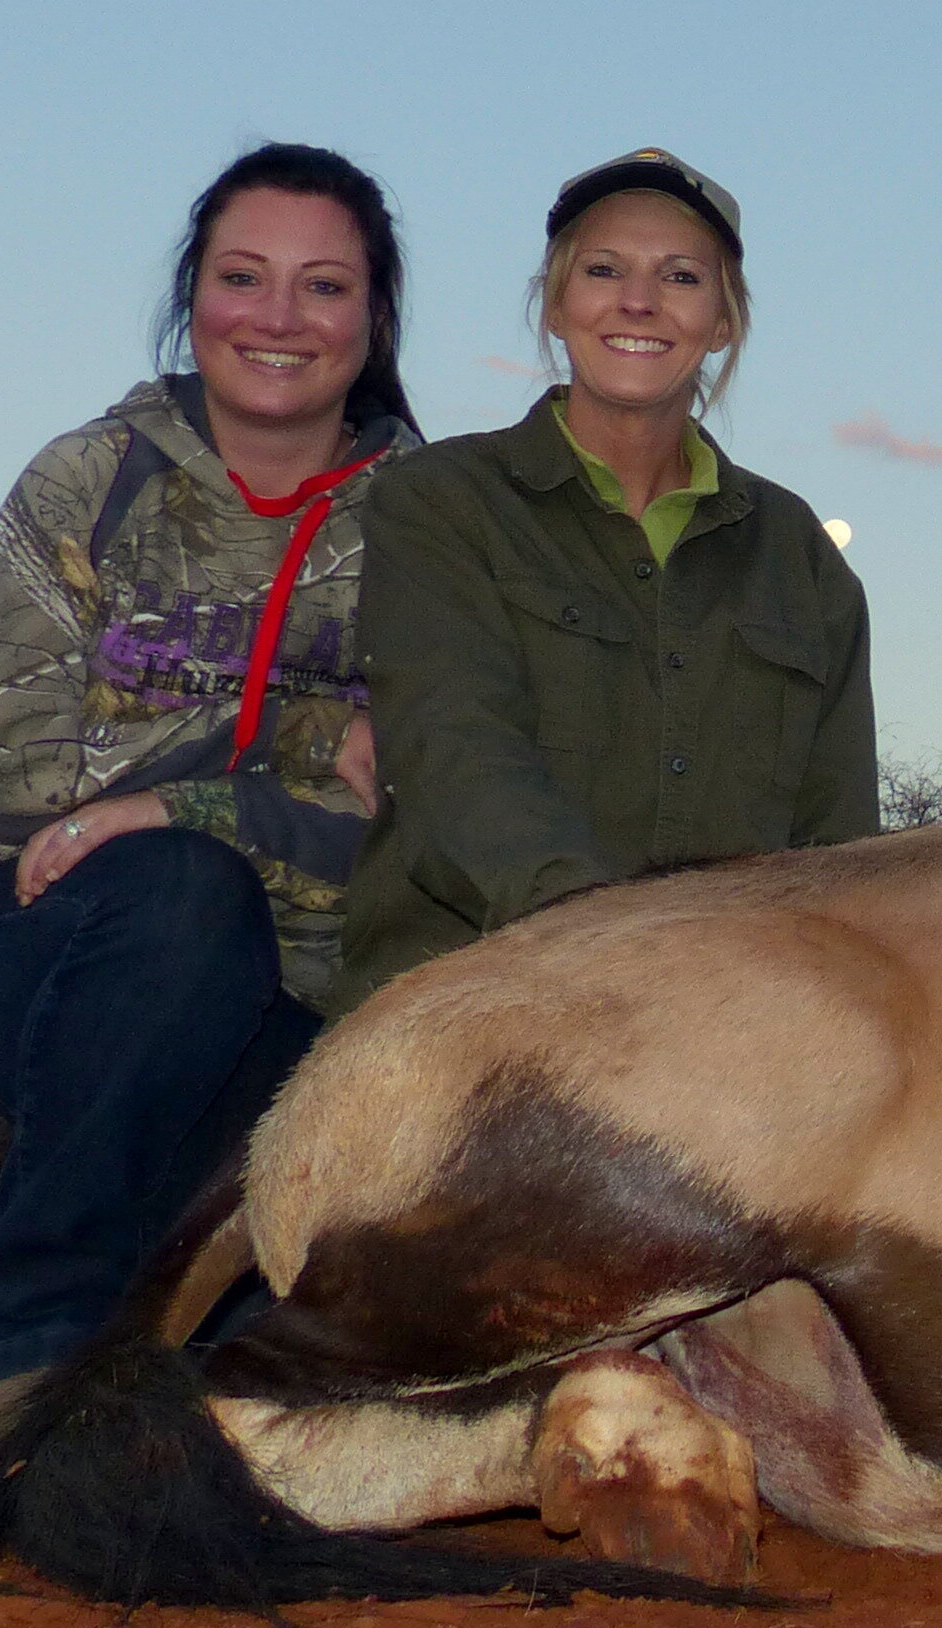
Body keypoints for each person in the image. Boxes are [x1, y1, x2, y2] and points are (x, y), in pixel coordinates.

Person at [0, 143, 420, 1440]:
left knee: (315, 1251)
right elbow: (17, 765)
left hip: (305, 975)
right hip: (50, 921)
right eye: (244, 278)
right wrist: (301, 771)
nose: (279, 320)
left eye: (324, 288)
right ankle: (30, 1339)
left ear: (374, 318)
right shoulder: (87, 480)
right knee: (184, 902)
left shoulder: (436, 525)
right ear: (194, 297)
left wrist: (189, 800)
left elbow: (429, 801)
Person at [334, 146, 877, 1011]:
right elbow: (452, 755)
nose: (638, 301)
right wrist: (607, 944)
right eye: (603, 269)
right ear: (556, 305)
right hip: (464, 1007)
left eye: (681, 277)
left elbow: (840, 845)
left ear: (725, 320)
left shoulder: (800, 556)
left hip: (732, 1026)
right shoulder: (438, 503)